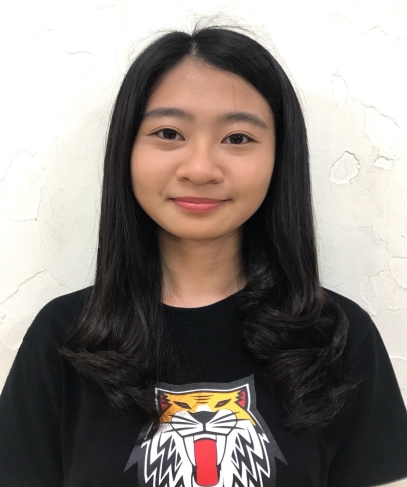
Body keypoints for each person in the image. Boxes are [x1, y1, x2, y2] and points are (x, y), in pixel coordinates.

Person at [0, 25, 406, 487]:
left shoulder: (338, 335)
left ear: (280, 157)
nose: (200, 169)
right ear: (127, 150)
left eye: (237, 138)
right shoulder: (64, 336)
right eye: (168, 132)